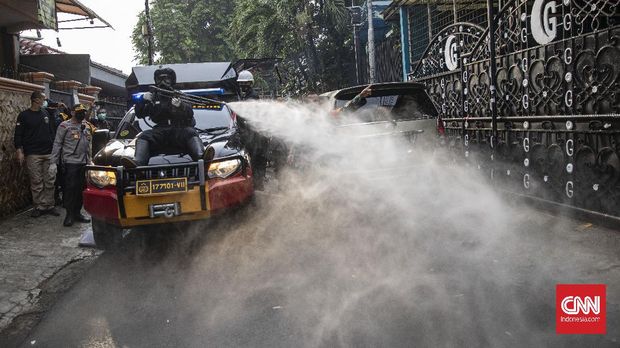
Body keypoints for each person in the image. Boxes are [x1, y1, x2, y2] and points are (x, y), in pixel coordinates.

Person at [123, 67, 208, 167]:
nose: (163, 82)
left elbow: (190, 113)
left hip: (178, 130)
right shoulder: (152, 97)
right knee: (143, 136)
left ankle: (201, 156)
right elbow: (140, 114)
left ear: (172, 80)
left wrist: (181, 106)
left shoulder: (178, 95)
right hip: (160, 130)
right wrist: (142, 100)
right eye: (159, 79)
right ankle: (137, 162)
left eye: (166, 79)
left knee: (191, 132)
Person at [14, 91, 60, 217]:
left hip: (48, 153)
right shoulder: (23, 116)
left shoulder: (45, 113)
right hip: (33, 154)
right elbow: (18, 134)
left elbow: (52, 132)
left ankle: (49, 205)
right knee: (36, 181)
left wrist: (54, 150)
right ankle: (39, 206)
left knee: (50, 180)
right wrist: (19, 150)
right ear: (36, 100)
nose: (45, 101)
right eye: (43, 99)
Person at [49, 104, 94, 226]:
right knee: (70, 189)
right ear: (73, 112)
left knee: (81, 189)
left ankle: (77, 213)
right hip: (70, 163)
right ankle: (69, 214)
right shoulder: (64, 126)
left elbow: (88, 144)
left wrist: (90, 160)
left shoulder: (86, 126)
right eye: (79, 112)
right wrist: (53, 162)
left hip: (83, 163)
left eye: (83, 112)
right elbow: (57, 144)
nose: (82, 114)